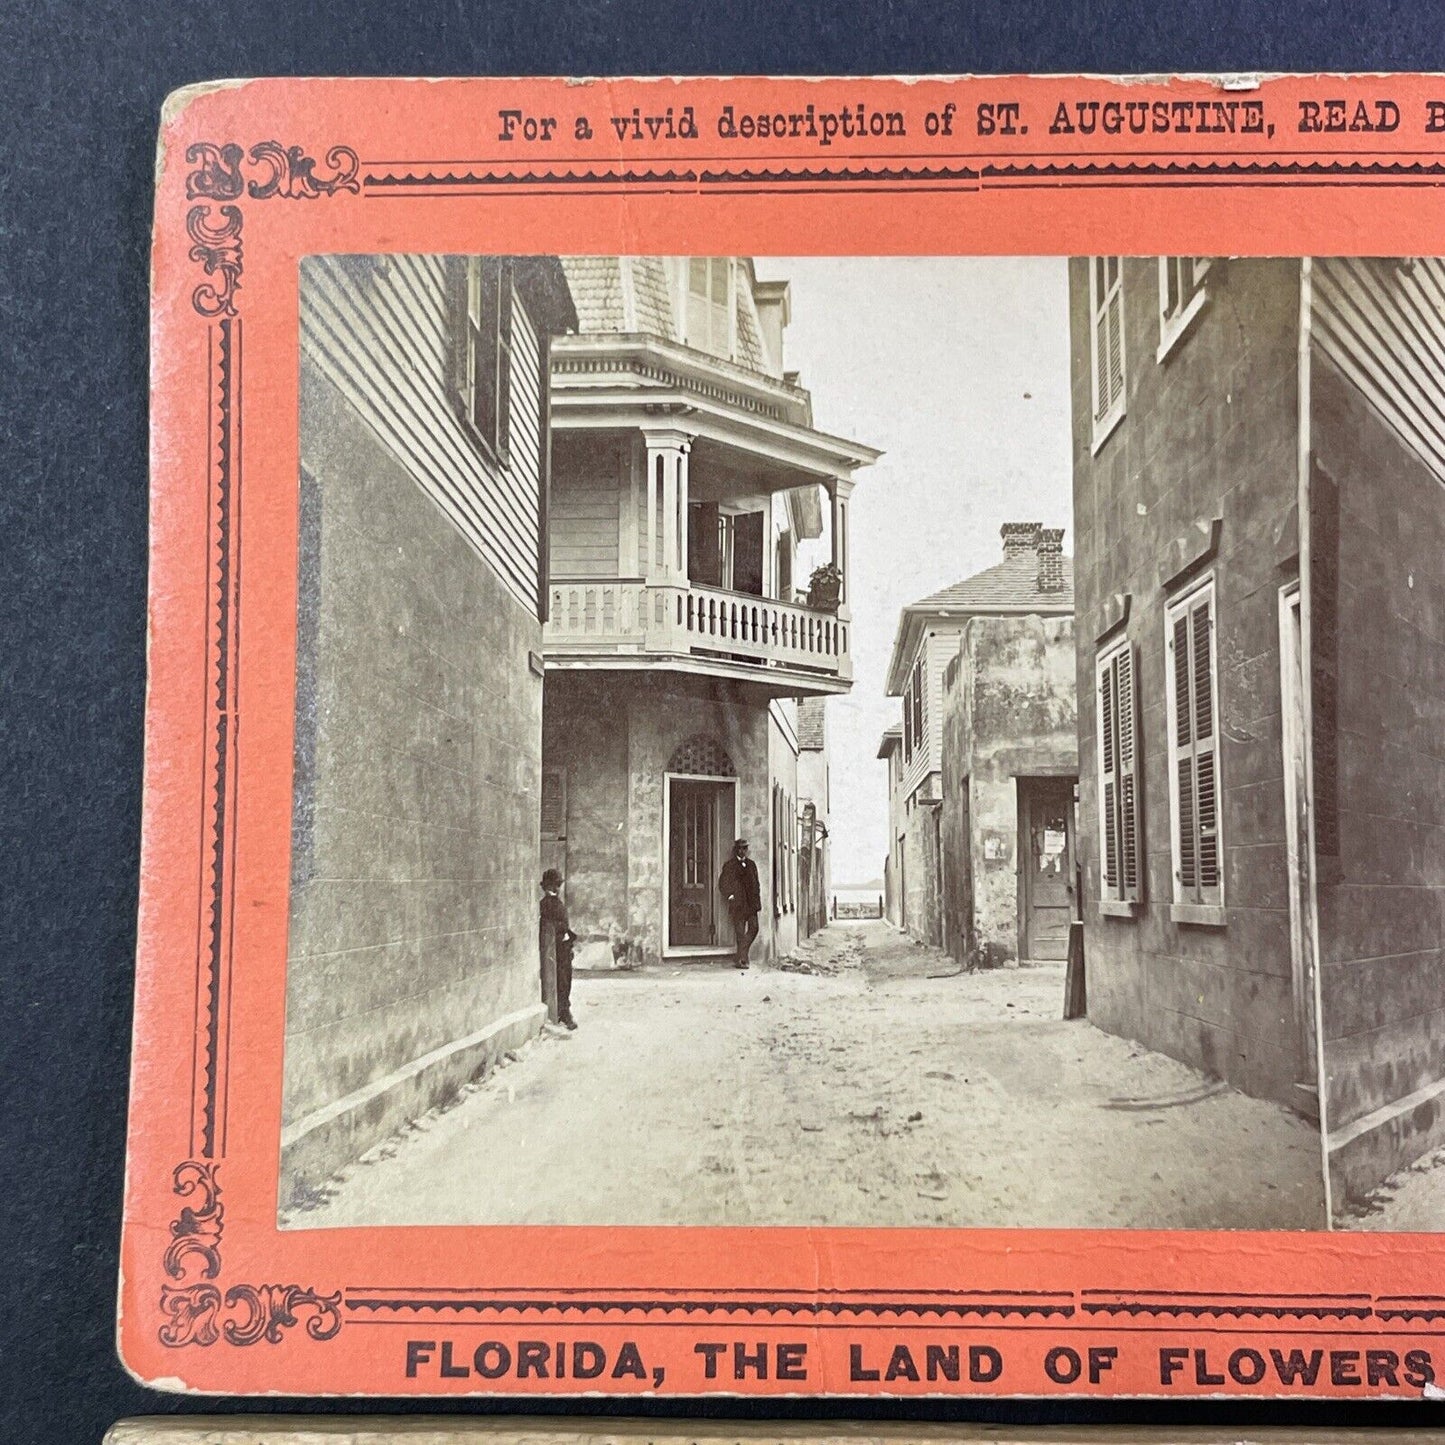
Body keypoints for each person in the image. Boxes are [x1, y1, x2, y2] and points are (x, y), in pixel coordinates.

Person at [539, 868, 577, 1029]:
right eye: (556, 885)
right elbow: (552, 928)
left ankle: (563, 1011)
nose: (558, 888)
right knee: (562, 981)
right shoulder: (548, 904)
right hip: (558, 950)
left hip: (563, 948)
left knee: (565, 980)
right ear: (551, 886)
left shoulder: (551, 903)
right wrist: (565, 936)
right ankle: (564, 1013)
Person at [718, 838, 762, 970]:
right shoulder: (729, 865)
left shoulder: (752, 865)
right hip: (738, 904)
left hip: (751, 904)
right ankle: (743, 959)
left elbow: (756, 884)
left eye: (744, 848)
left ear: (747, 850)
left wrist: (756, 899)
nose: (742, 851)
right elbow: (723, 883)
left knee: (754, 928)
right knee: (740, 933)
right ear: (736, 850)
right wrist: (730, 895)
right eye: (740, 848)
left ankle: (740, 955)